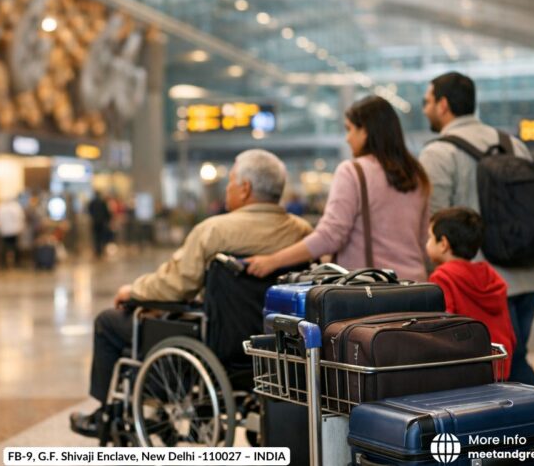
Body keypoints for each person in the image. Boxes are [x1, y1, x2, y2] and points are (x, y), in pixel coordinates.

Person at [69, 149, 312, 437]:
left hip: (221, 343)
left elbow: (176, 283)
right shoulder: (302, 233)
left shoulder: (215, 230)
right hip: (277, 345)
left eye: (231, 181)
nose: (227, 188)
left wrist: (133, 291)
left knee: (110, 322)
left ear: (245, 189)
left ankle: (107, 414)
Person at [419, 71, 534, 387]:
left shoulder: (438, 153)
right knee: (511, 364)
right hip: (529, 276)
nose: (424, 109)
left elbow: (434, 223)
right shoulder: (512, 144)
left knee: (505, 368)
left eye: (428, 101)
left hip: (479, 284)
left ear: (443, 104)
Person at [247, 96, 430, 282]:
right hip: (414, 286)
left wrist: (272, 260)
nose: (347, 138)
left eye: (349, 129)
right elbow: (424, 241)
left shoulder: (353, 171)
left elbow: (331, 236)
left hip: (372, 291)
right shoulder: (416, 175)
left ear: (365, 131)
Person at [426, 207, 515, 378]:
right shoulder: (490, 275)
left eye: (430, 237)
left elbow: (442, 330)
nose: (426, 243)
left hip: (467, 369)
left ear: (443, 244)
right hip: (500, 363)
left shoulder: (443, 277)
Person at [0, 195, 26, 267]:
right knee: (15, 246)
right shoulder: (16, 207)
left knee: (5, 247)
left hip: (4, 231)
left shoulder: (0, 207)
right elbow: (21, 218)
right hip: (15, 230)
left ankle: (4, 263)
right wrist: (21, 228)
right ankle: (17, 262)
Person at [88, 190, 112, 258]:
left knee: (96, 237)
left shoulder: (92, 202)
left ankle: (97, 250)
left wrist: (93, 217)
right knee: (102, 236)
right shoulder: (102, 202)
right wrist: (107, 220)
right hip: (102, 222)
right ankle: (101, 250)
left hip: (95, 222)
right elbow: (107, 212)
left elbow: (89, 211)